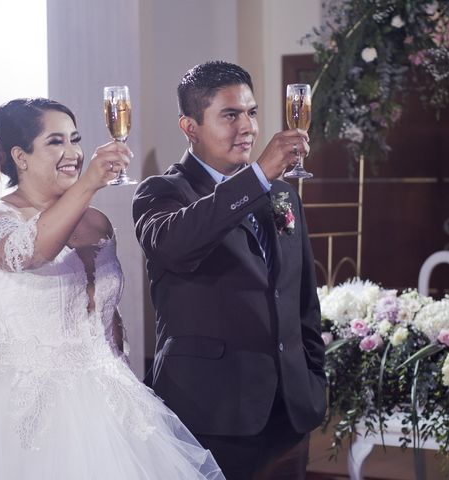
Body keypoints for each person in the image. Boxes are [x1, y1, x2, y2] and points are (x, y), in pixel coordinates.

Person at [0, 98, 224, 479]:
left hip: (109, 402)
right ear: (21, 156)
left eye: (76, 140)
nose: (73, 153)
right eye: (55, 141)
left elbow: (108, 319)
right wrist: (90, 182)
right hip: (25, 413)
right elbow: (32, 251)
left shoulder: (96, 222)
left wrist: (126, 382)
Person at [132, 61, 326, 479]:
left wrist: (314, 380)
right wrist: (257, 177)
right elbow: (177, 245)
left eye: (252, 113)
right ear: (190, 126)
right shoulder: (162, 192)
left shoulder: (283, 196)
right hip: (209, 413)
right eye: (230, 115)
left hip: (290, 411)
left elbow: (303, 301)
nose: (248, 127)